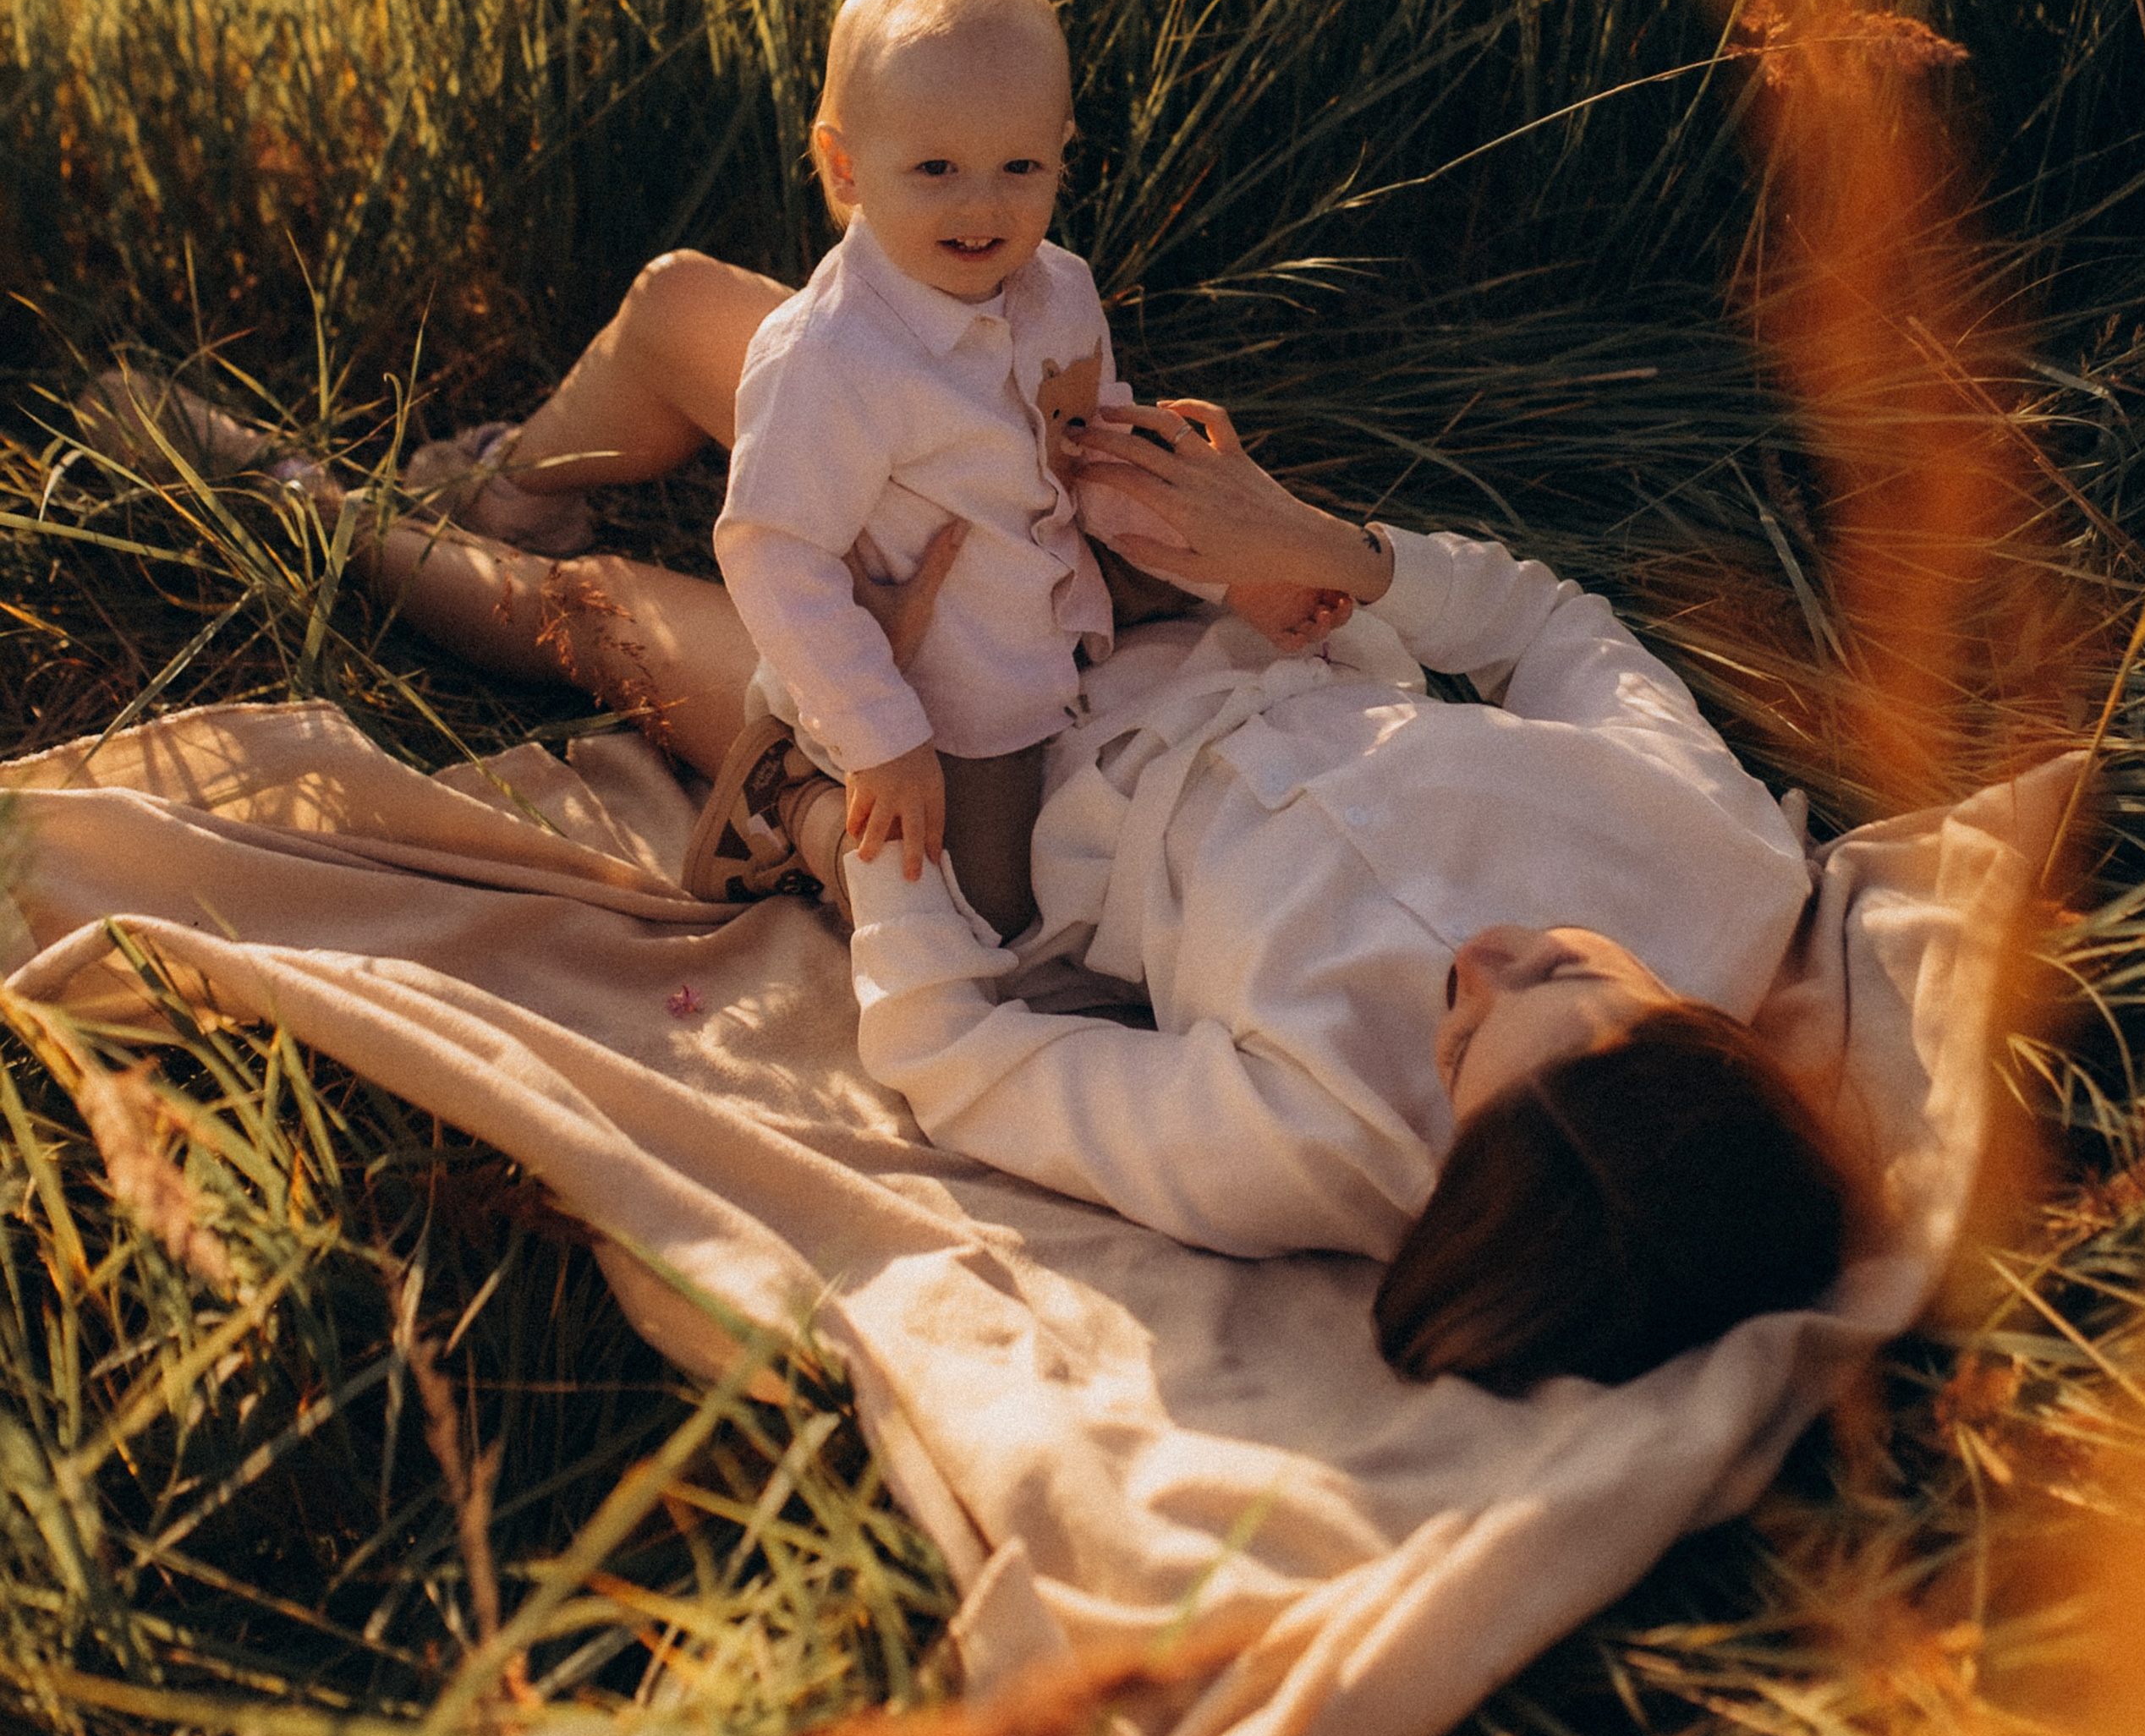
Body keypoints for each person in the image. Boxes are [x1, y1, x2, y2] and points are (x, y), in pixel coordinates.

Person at [79, 273, 1862, 1396]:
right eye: (1563, 976)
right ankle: (504, 470)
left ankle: (285, 500)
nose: (1479, 969)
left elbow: (954, 1052)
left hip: (995, 802)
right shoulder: (1716, 867)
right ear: (1695, 1027)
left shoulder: (1308, 1146)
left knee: (589, 615)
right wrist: (1307, 548)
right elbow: (1546, 624)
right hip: (1193, 605)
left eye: (1465, 1046)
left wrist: (871, 788)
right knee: (697, 314)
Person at [711, 0, 1341, 940]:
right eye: (935, 169)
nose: (982, 206)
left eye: (1020, 167)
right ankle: (795, 795)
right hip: (941, 692)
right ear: (844, 165)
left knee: (1119, 828)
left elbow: (1095, 463)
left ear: (1059, 151)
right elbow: (773, 553)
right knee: (987, 915)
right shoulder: (827, 359)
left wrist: (1234, 578)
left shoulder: (1061, 292)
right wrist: (882, 739)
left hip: (1052, 637)